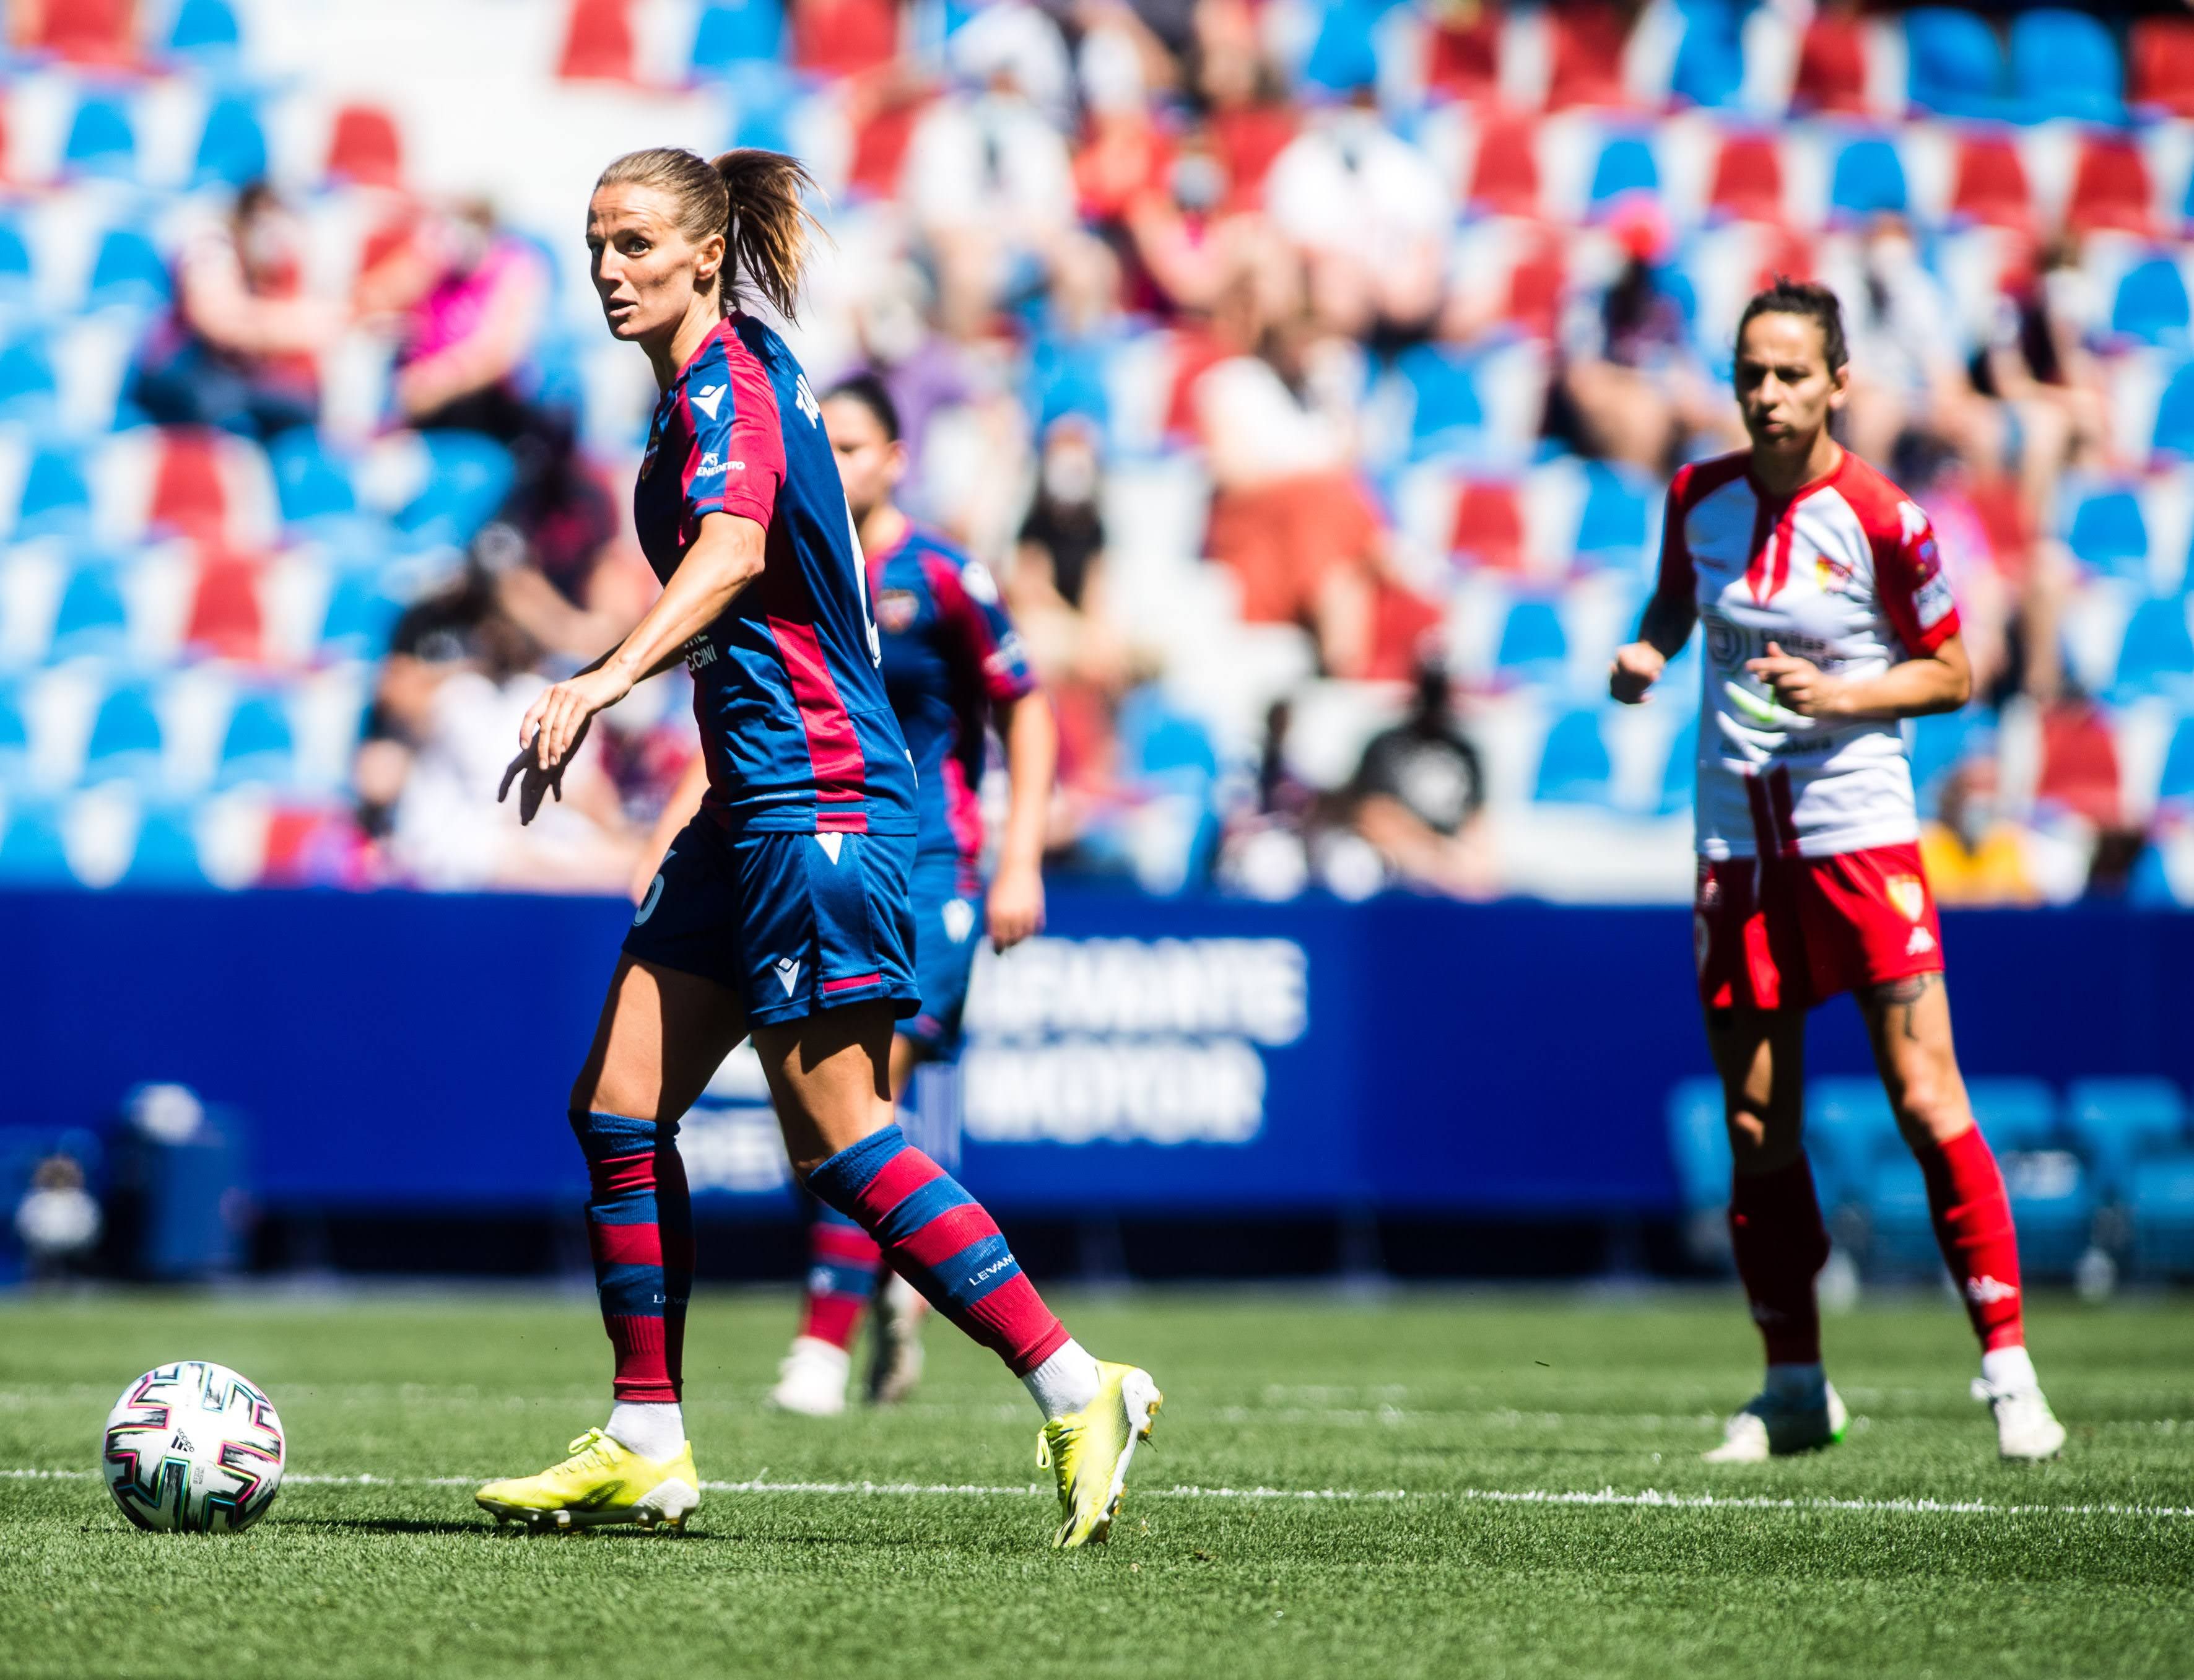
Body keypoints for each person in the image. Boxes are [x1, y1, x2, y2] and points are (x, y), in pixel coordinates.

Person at [472, 147, 1159, 1547]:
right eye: (596, 242)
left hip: (823, 801)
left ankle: (1082, 1384)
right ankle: (648, 1435)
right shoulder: (694, 396)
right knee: (615, 1103)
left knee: (842, 1142)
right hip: (748, 805)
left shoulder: (730, 385)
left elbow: (728, 559)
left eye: (638, 243)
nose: (610, 267)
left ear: (705, 255)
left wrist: (601, 683)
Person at [1609, 278, 2065, 1465]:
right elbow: (1673, 603)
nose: (1766, 394)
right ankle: (1795, 1384)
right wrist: (1645, 653)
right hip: (1732, 845)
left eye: (1789, 374)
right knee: (1756, 1117)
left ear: (1835, 383)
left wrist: (1846, 693)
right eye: (1750, 373)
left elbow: (1953, 671)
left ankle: (2007, 1369)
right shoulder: (1697, 499)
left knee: (1924, 1096)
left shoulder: (1880, 517)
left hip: (1854, 835)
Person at [632, 372, 1060, 1414]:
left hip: (922, 859)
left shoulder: (942, 574)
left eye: (860, 447)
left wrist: (1020, 855)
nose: (843, 463)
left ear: (893, 459)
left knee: (855, 1114)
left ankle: (820, 1349)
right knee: (823, 1127)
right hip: (795, 830)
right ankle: (895, 1284)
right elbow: (754, 711)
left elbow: (1025, 706)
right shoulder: (800, 567)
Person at [129, 181, 342, 441]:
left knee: (297, 410)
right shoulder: (212, 243)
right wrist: (287, 326)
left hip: (237, 377)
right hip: (182, 371)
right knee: (215, 407)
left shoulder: (269, 269)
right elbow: (217, 323)